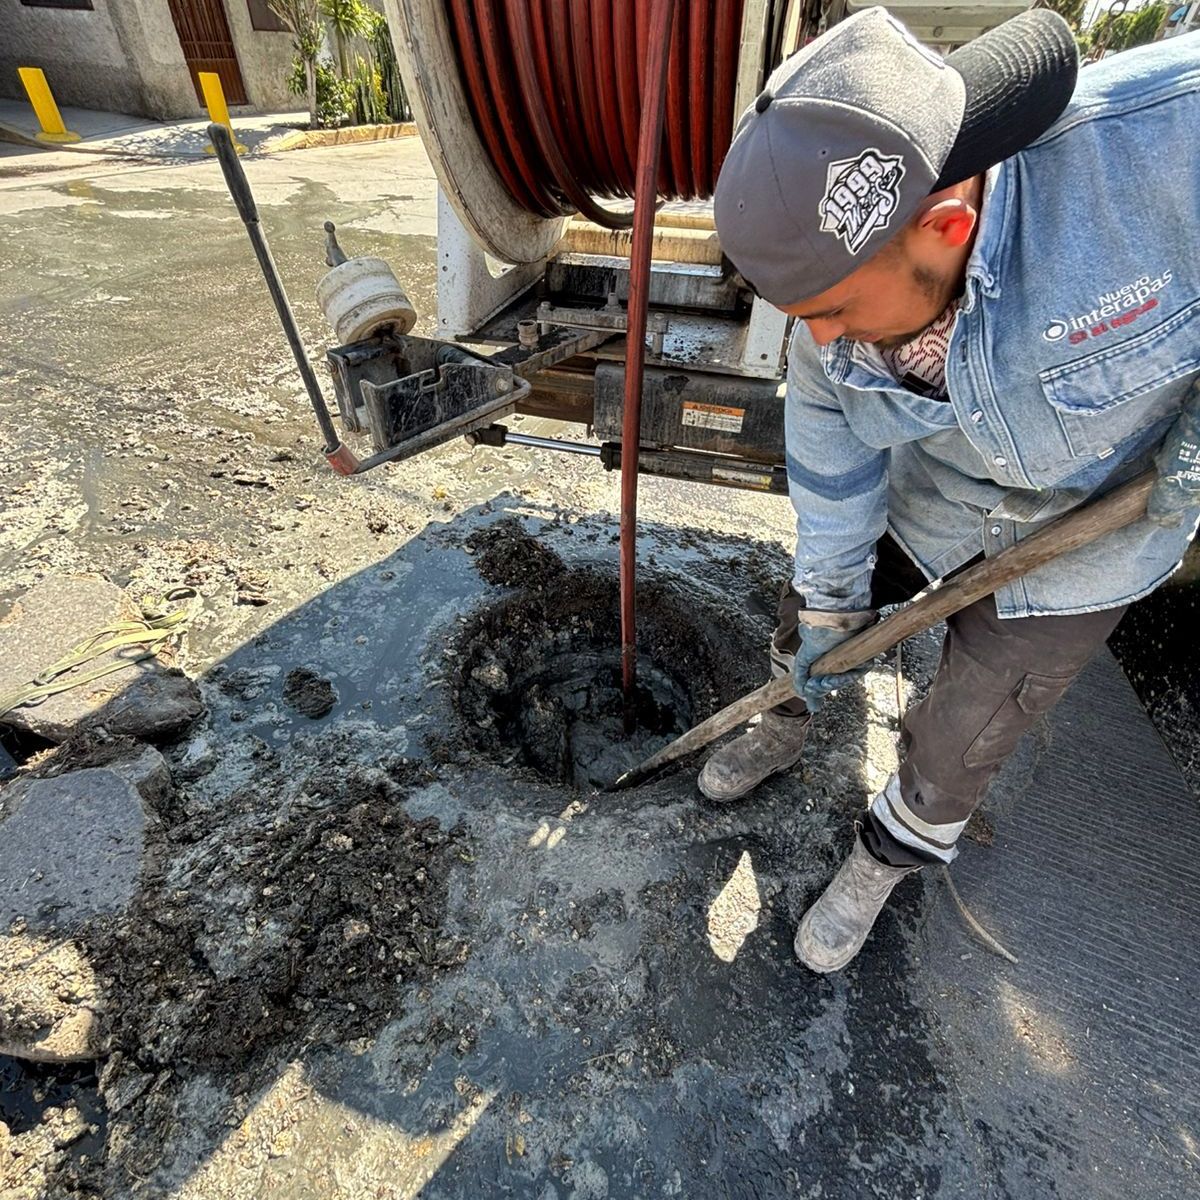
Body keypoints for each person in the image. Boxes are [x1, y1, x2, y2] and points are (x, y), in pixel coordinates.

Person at [709, 7, 1200, 973]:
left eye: (834, 310)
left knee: (970, 731)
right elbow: (833, 465)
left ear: (945, 227)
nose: (819, 340)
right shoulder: (834, 313)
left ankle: (882, 859)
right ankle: (784, 716)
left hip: (1088, 531)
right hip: (934, 487)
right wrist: (832, 605)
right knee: (811, 615)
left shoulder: (1164, 152)